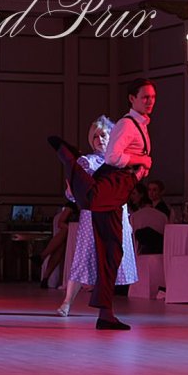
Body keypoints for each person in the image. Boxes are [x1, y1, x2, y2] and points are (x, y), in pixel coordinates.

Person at [49, 78, 155, 330]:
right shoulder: (126, 126)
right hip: (106, 195)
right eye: (145, 97)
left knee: (111, 253)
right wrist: (143, 161)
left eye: (152, 97)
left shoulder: (138, 127)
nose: (150, 101)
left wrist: (141, 170)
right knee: (93, 203)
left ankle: (105, 313)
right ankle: (68, 156)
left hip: (117, 197)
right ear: (132, 99)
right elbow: (114, 157)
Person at [56, 116, 138, 317]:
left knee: (112, 257)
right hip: (92, 216)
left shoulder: (120, 163)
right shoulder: (87, 162)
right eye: (95, 136)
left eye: (103, 135)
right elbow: (74, 193)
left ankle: (106, 306)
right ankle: (67, 302)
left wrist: (127, 219)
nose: (99, 139)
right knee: (83, 257)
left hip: (116, 214)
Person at [36, 201, 78, 288]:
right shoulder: (72, 204)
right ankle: (45, 274)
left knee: (60, 245)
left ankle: (42, 257)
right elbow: (60, 222)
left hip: (76, 231)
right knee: (60, 246)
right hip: (70, 231)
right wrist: (71, 229)